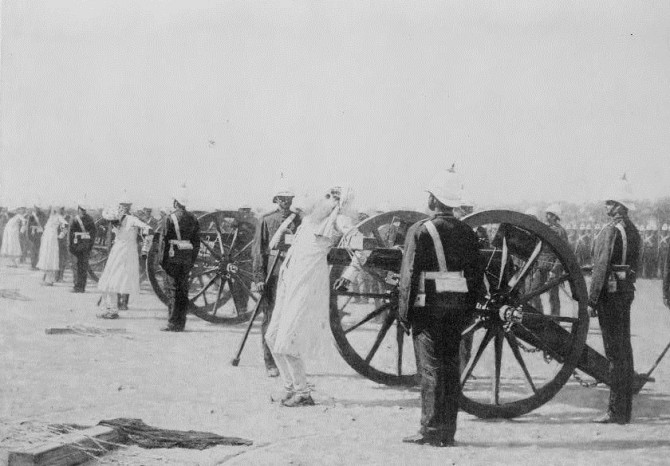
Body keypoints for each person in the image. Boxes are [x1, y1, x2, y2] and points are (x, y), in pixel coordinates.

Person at [398, 168, 484, 447]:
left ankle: (431, 430)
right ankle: (448, 431)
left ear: (434, 200)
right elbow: (475, 277)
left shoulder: (420, 230)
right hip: (457, 310)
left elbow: (409, 277)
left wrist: (404, 314)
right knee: (450, 366)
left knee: (431, 369)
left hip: (428, 309)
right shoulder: (468, 232)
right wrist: (468, 310)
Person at [265, 186, 353, 407]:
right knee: (271, 337)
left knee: (287, 341)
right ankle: (290, 387)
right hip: (289, 282)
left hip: (308, 285)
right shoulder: (307, 220)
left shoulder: (339, 220)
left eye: (335, 197)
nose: (329, 200)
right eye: (328, 195)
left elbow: (361, 248)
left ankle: (303, 393)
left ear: (340, 202)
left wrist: (350, 274)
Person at [587, 176, 641, 424]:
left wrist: (591, 300)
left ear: (620, 206)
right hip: (625, 293)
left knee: (614, 355)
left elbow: (601, 266)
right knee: (625, 352)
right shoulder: (633, 231)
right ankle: (624, 412)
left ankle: (616, 412)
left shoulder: (611, 231)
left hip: (609, 295)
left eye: (610, 203)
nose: (606, 207)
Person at [252, 184, 301, 377]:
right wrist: (258, 278)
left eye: (289, 199)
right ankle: (270, 361)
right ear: (276, 200)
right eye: (282, 199)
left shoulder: (299, 220)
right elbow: (257, 251)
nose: (286, 202)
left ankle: (288, 361)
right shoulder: (266, 220)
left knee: (292, 319)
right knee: (270, 318)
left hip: (293, 273)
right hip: (272, 274)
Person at [96, 201, 152, 319]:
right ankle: (111, 308)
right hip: (117, 251)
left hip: (127, 252)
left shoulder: (131, 219)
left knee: (116, 280)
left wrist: (145, 248)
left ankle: (113, 309)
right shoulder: (117, 220)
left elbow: (148, 229)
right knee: (110, 279)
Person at [158, 185, 200, 332]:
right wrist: (191, 260)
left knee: (172, 290)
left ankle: (172, 323)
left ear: (175, 203)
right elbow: (196, 243)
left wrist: (161, 261)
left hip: (172, 257)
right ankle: (181, 323)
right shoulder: (193, 218)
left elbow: (163, 241)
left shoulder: (170, 218)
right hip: (186, 259)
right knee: (183, 290)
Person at [529, 204, 569, 316]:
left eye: (550, 214)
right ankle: (538, 315)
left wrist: (555, 270)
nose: (547, 216)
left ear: (555, 216)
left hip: (553, 267)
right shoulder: (545, 229)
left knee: (553, 296)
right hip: (541, 266)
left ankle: (555, 319)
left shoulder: (560, 232)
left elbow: (563, 253)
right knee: (533, 292)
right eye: (547, 214)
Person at [36, 207, 68, 286]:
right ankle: (47, 278)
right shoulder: (50, 217)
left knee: (51, 256)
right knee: (46, 256)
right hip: (47, 239)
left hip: (52, 239)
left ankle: (50, 280)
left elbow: (65, 224)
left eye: (54, 209)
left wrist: (62, 234)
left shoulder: (58, 216)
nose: (52, 211)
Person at [69, 203, 96, 293]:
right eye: (81, 209)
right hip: (76, 246)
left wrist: (90, 246)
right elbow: (71, 234)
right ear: (78, 209)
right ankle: (77, 286)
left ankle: (81, 287)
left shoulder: (89, 220)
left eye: (84, 210)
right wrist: (70, 246)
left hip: (84, 246)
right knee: (77, 266)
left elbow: (93, 234)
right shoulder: (75, 219)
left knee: (83, 267)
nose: (83, 211)